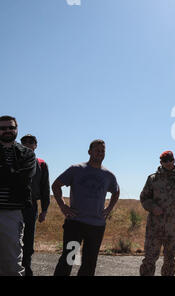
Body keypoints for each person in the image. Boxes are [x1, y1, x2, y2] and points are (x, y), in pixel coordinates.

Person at [52, 139, 120, 276]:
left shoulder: (108, 175)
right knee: (69, 259)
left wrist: (108, 209)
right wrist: (63, 206)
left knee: (89, 263)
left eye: (102, 151)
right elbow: (56, 185)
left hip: (96, 225)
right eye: (97, 150)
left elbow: (116, 191)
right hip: (76, 223)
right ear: (89, 152)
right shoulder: (76, 169)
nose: (100, 153)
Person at [139, 150, 175, 276]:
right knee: (149, 259)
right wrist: (152, 207)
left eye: (170, 160)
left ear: (174, 160)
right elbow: (144, 198)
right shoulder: (153, 179)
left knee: (170, 261)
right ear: (161, 162)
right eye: (164, 161)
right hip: (154, 227)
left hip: (173, 228)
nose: (168, 163)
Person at [0, 115, 36, 276]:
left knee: (11, 264)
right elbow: (16, 177)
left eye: (11, 127)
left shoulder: (27, 154)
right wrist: (12, 174)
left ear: (16, 129)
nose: (7, 130)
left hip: (11, 212)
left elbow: (23, 179)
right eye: (3, 128)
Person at [20, 134, 50, 276]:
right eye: (24, 141)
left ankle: (27, 268)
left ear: (35, 145)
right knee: (10, 239)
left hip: (31, 207)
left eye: (31, 142)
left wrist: (44, 210)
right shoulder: (13, 160)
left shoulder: (41, 163)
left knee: (28, 239)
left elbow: (45, 188)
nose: (27, 144)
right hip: (12, 206)